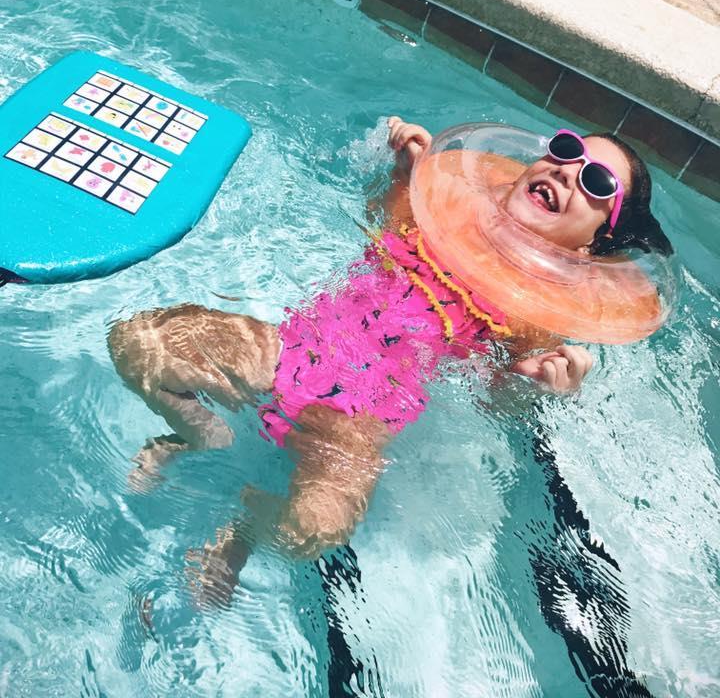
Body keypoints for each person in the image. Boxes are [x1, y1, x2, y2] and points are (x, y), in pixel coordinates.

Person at [108, 117, 672, 603]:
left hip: (356, 422)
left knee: (314, 530)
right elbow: (372, 208)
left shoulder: (537, 314)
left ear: (592, 243)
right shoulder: (437, 204)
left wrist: (541, 389)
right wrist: (402, 168)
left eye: (596, 181)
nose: (568, 170)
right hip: (286, 348)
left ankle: (247, 525)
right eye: (566, 150)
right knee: (139, 341)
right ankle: (205, 437)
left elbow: (495, 402)